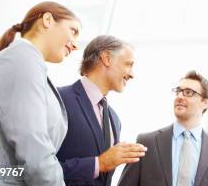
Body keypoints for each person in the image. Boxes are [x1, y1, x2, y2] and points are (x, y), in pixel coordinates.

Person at [0, 1, 81, 185]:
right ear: (47, 20)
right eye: (73, 31)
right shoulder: (22, 58)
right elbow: (33, 144)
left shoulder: (27, 62)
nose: (75, 45)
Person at [57, 35, 147, 185]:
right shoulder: (60, 99)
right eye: (128, 64)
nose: (132, 74)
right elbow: (35, 168)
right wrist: (99, 163)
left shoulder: (114, 119)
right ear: (106, 58)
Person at [118, 71, 208, 186]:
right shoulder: (147, 142)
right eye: (178, 91)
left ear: (205, 102)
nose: (179, 96)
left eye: (188, 92)